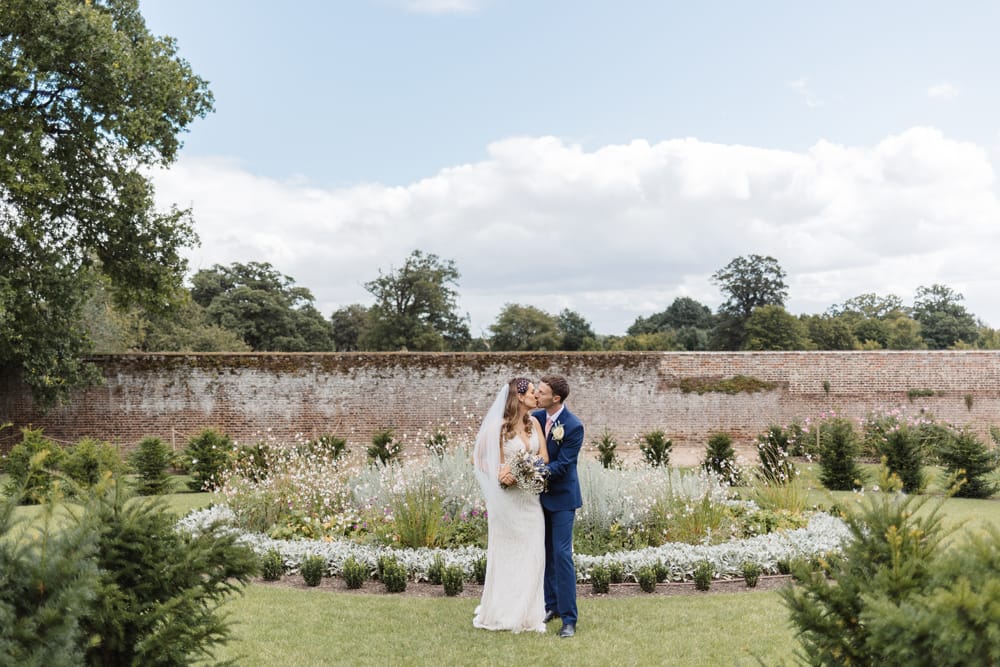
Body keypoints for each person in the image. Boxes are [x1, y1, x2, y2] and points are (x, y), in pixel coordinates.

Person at [472, 377, 549, 633]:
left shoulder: (534, 422)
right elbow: (479, 458)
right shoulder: (499, 426)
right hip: (508, 501)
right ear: (519, 396)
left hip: (530, 499)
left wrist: (526, 471)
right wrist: (500, 474)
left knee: (533, 552)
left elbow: (543, 457)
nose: (536, 396)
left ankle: (528, 614)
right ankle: (504, 612)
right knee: (507, 555)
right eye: (532, 393)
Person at [533, 375, 583, 638]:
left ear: (556, 398)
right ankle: (550, 606)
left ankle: (569, 619)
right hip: (537, 499)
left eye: (541, 392)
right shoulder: (537, 419)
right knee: (545, 555)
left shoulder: (573, 426)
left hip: (563, 500)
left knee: (562, 556)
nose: (536, 395)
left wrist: (532, 471)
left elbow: (564, 465)